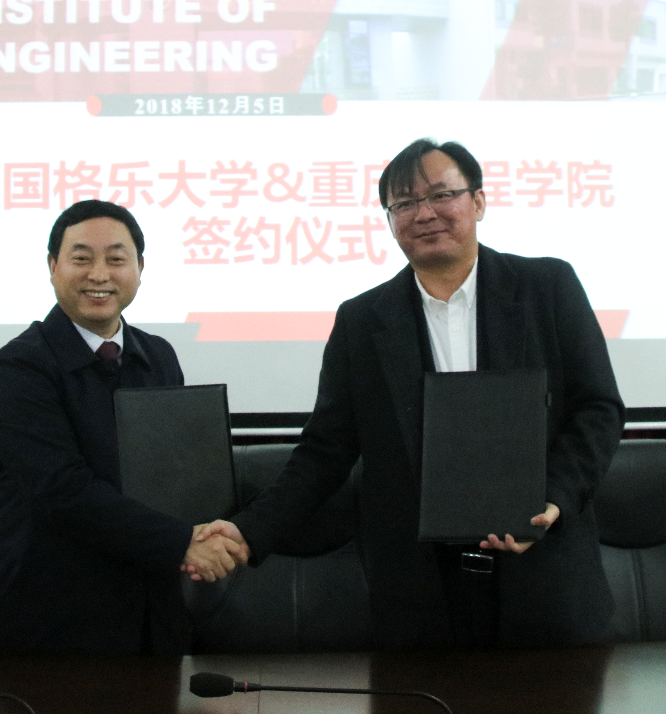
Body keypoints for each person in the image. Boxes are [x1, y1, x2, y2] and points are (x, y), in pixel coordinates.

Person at [198, 138, 625, 649]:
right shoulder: (362, 321)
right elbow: (325, 451)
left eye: (441, 195)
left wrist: (552, 497)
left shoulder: (547, 286)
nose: (424, 214)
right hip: (421, 593)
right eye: (404, 203)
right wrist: (249, 531)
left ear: (478, 202)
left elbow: (598, 409)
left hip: (544, 576)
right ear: (389, 219)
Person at [0, 199, 245, 655]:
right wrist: (183, 542)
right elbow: (63, 490)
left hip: (150, 615)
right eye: (82, 258)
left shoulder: (158, 356)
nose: (99, 275)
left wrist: (205, 531)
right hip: (51, 622)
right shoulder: (20, 366)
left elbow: (172, 474)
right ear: (53, 266)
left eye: (116, 259)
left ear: (140, 268)